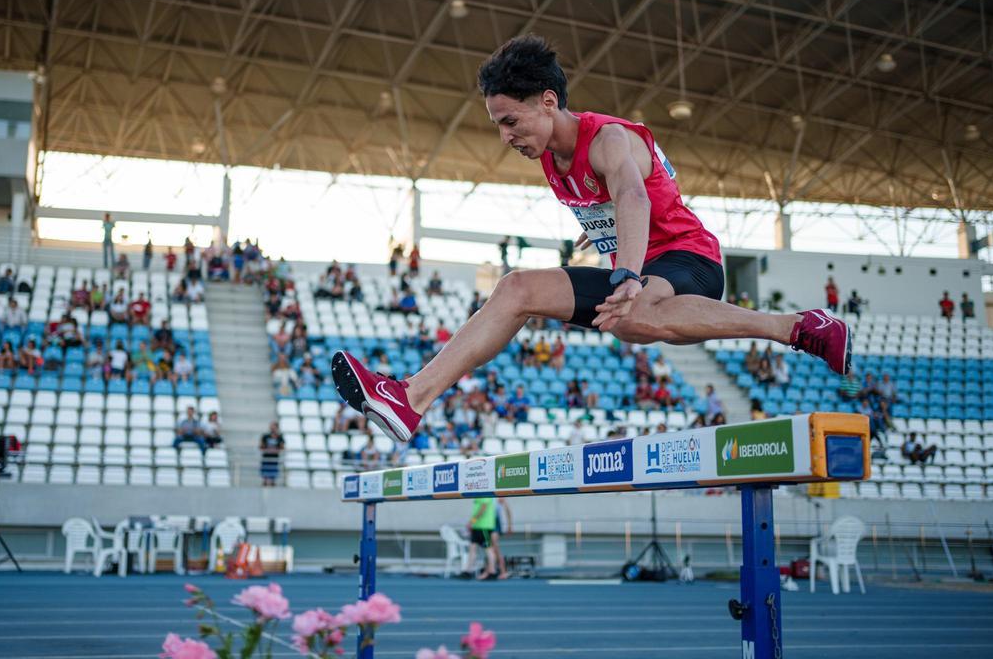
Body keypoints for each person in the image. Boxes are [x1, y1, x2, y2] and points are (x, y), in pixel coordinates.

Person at [329, 38, 850, 440]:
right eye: (497, 124)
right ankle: (409, 399)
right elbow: (609, 207)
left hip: (688, 259)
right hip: (641, 267)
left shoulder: (608, 138)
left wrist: (623, 274)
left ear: (549, 102)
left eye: (510, 121)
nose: (504, 136)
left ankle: (797, 326)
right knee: (516, 289)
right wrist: (601, 245)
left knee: (629, 318)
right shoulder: (552, 159)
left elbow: (631, 196)